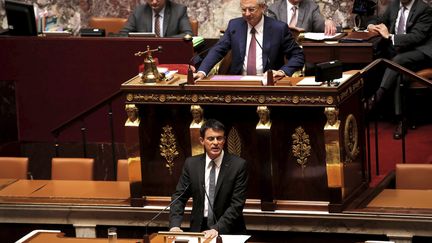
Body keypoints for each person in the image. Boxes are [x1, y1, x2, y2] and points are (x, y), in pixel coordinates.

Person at [169, 119, 248, 239]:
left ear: (224, 140)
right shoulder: (191, 164)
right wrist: (175, 225)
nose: (215, 142)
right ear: (202, 141)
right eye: (211, 139)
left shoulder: (238, 165)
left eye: (219, 138)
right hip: (198, 230)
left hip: (229, 230)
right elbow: (179, 197)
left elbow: (237, 204)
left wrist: (217, 228)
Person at [366, 0, 432, 139]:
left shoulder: (424, 9)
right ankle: (401, 120)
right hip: (399, 52)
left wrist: (390, 36)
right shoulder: (394, 5)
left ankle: (377, 97)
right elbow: (379, 20)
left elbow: (416, 37)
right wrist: (371, 25)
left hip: (419, 52)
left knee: (397, 62)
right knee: (398, 71)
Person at [194, 0, 305, 80]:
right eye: (243, 9)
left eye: (251, 9)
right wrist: (202, 71)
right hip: (238, 82)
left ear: (263, 8)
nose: (247, 14)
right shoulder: (234, 26)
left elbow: (298, 56)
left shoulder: (278, 29)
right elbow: (218, 49)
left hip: (270, 83)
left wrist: (282, 72)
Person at [121, 0, 193, 37]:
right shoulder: (138, 11)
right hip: (144, 54)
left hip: (169, 52)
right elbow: (123, 34)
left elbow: (188, 34)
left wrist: (162, 41)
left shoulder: (179, 10)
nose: (154, 2)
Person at [267, 0, 337, 36]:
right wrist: (289, 30)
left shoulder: (312, 7)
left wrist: (327, 22)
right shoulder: (274, 9)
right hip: (281, 54)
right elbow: (271, 32)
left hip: (305, 53)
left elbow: (319, 25)